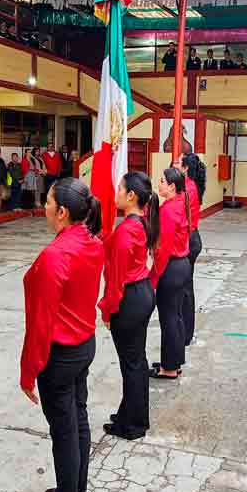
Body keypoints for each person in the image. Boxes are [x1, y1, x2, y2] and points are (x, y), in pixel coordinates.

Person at [20, 178, 104, 492]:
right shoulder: (92, 243)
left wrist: (28, 374)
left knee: (65, 432)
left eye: (49, 200)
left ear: (62, 211)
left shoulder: (55, 255)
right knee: (78, 421)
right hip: (84, 345)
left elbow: (41, 323)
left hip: (61, 353)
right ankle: (75, 491)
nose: (45, 205)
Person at [99, 172, 160, 441]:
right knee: (136, 361)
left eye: (120, 188)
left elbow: (116, 280)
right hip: (141, 293)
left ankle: (133, 425)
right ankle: (131, 414)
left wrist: (107, 310)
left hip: (130, 298)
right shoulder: (137, 224)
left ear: (131, 196)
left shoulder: (127, 230)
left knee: (132, 364)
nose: (117, 192)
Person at [150, 168, 192, 380]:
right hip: (181, 265)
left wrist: (153, 276)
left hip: (172, 267)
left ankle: (170, 368)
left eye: (161, 181)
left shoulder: (169, 210)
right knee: (175, 317)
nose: (159, 184)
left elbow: (163, 248)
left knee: (169, 319)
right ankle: (173, 362)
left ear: (172, 187)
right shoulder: (178, 203)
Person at [177, 153, 206, 347]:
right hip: (191, 238)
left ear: (185, 168)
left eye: (178, 162)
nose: (174, 163)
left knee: (185, 290)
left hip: (189, 240)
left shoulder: (187, 188)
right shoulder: (190, 186)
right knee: (186, 288)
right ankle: (186, 332)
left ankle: (186, 333)